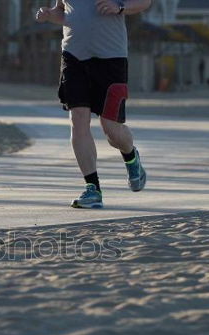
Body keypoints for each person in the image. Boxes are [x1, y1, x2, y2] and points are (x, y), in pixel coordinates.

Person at [36, 0, 151, 209]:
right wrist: (48, 14)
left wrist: (120, 8)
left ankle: (131, 156)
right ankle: (92, 188)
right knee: (78, 121)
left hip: (111, 58)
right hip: (73, 57)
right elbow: (62, 12)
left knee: (112, 130)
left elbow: (144, 2)